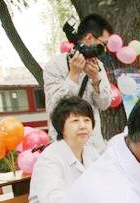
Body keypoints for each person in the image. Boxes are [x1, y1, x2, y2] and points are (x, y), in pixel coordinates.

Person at [43, 14, 113, 153]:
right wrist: (73, 75)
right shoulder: (55, 65)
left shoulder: (98, 66)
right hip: (64, 147)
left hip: (93, 146)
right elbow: (54, 107)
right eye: (103, 44)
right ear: (89, 38)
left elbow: (105, 104)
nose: (104, 50)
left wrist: (95, 79)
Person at [28, 96, 100, 203]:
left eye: (87, 120)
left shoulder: (92, 153)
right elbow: (54, 200)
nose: (83, 126)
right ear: (61, 127)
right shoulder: (49, 158)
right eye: (75, 121)